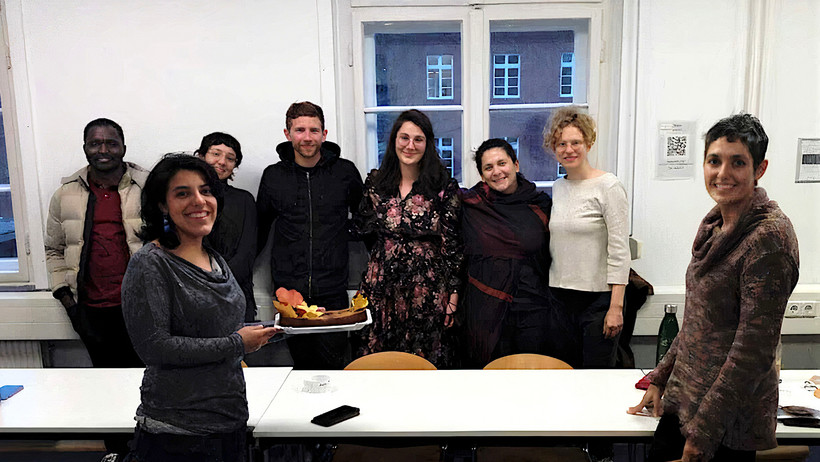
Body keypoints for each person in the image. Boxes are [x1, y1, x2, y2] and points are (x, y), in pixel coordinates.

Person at [628, 114, 799, 462]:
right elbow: (697, 321)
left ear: (760, 169)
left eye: (738, 162)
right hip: (686, 400)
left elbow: (753, 350)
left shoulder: (769, 239)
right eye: (714, 161)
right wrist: (659, 377)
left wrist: (705, 432)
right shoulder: (715, 225)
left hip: (725, 423)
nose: (722, 173)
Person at [122, 154, 277, 461]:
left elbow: (218, 328)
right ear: (162, 205)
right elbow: (154, 348)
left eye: (206, 191)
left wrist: (258, 333)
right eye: (183, 193)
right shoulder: (151, 264)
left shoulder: (214, 257)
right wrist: (237, 343)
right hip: (177, 433)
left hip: (229, 421)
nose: (199, 201)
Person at [44, 118, 145, 460]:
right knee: (107, 386)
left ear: (123, 148)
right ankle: (116, 452)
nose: (103, 150)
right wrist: (66, 298)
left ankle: (147, 450)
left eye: (111, 143)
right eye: (95, 143)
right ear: (85, 147)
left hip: (141, 309)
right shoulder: (65, 194)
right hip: (91, 310)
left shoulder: (147, 188)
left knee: (148, 382)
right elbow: (53, 249)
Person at [257, 101, 364, 370]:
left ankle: (335, 413)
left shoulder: (345, 172)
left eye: (314, 130)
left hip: (333, 289)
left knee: (334, 366)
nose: (307, 137)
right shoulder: (273, 176)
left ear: (324, 134)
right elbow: (260, 230)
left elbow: (365, 221)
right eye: (300, 130)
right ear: (287, 133)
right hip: (290, 292)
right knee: (302, 367)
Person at [354, 109, 463, 368]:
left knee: (423, 359)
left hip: (426, 288)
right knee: (379, 361)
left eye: (418, 139)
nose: (410, 146)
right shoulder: (375, 183)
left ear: (428, 144)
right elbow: (367, 233)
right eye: (404, 138)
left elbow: (453, 244)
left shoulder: (443, 186)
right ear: (394, 141)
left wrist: (454, 293)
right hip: (381, 286)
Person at [457, 138, 570, 368]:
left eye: (502, 163)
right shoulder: (471, 205)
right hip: (485, 311)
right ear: (481, 175)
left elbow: (560, 250)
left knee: (531, 382)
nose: (497, 172)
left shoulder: (540, 205)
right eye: (488, 168)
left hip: (533, 310)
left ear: (516, 165)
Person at [544, 106, 630, 369]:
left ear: (589, 143)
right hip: (560, 298)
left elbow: (619, 249)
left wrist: (615, 307)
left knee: (596, 377)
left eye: (575, 142)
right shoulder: (558, 187)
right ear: (554, 148)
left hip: (598, 301)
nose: (568, 150)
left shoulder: (608, 186)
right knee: (565, 373)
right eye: (561, 144)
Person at [195, 132, 258, 322]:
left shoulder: (244, 200)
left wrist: (221, 284)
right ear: (201, 156)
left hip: (236, 294)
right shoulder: (185, 196)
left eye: (230, 158)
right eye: (216, 153)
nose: (222, 162)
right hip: (193, 293)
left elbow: (248, 252)